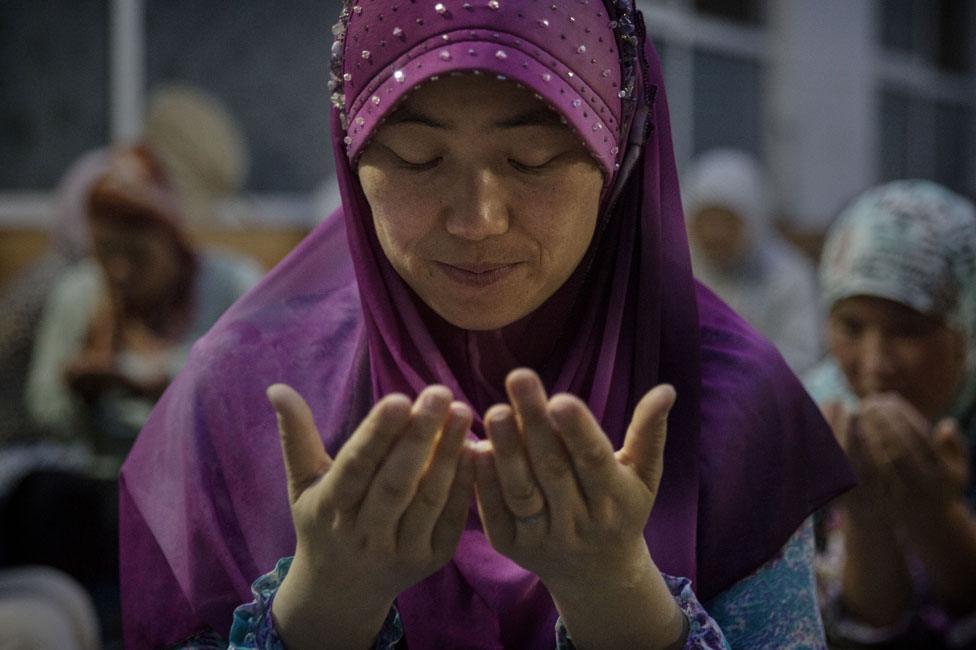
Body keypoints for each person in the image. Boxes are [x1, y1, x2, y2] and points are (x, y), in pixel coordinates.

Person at [120, 1, 855, 647]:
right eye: (417, 156)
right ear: (351, 152)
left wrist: (620, 598)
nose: (476, 219)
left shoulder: (730, 403)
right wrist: (322, 606)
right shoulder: (247, 392)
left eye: (533, 158)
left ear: (619, 153)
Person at [805, 180, 976, 648]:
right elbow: (858, 628)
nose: (875, 364)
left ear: (966, 324)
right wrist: (863, 512)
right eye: (851, 326)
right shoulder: (808, 421)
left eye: (908, 331)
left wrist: (934, 510)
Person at [25, 144, 262, 462]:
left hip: (202, 472)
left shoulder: (234, 285)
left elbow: (259, 392)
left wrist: (163, 388)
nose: (120, 271)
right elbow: (44, 407)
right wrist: (78, 393)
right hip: (102, 472)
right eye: (106, 253)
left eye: (139, 256)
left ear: (172, 240)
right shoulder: (79, 292)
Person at [681, 149, 823, 375]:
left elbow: (803, 354)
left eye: (726, 222)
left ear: (754, 221)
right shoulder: (674, 272)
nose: (715, 234)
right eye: (707, 220)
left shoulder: (790, 279)